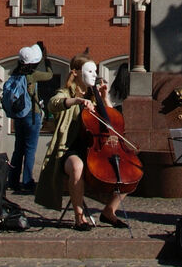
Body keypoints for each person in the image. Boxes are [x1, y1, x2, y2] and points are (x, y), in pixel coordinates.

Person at [36, 56, 129, 230]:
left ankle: (109, 211)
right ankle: (79, 216)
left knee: (128, 169)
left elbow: (112, 121)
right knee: (77, 167)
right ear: (76, 73)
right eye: (89, 71)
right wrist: (77, 101)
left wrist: (104, 98)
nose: (94, 75)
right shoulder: (66, 93)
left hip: (95, 150)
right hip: (69, 150)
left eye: (95, 71)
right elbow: (52, 104)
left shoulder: (94, 96)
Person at [3, 43, 46, 193]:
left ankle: (13, 180)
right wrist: (47, 60)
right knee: (30, 150)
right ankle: (27, 181)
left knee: (18, 150)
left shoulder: (15, 74)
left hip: (18, 117)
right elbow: (50, 75)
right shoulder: (32, 75)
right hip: (31, 115)